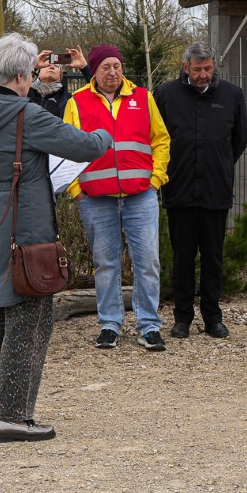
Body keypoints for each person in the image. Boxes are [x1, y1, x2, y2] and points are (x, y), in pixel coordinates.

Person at [0, 33, 114, 441]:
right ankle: (14, 417)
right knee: (30, 318)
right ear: (19, 75)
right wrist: (105, 132)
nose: (32, 79)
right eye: (30, 73)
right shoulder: (24, 115)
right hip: (25, 230)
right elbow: (83, 145)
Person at [62, 43, 172, 351]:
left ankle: (149, 325)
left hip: (141, 195)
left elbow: (161, 140)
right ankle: (109, 324)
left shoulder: (143, 98)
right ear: (94, 71)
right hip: (96, 198)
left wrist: (155, 180)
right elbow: (67, 147)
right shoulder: (78, 101)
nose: (113, 72)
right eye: (105, 67)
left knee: (148, 261)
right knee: (106, 263)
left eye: (117, 66)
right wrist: (77, 191)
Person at [154, 41, 247, 338]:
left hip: (215, 190)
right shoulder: (166, 94)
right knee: (182, 257)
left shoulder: (232, 95)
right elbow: (156, 137)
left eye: (208, 68)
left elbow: (239, 140)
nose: (204, 75)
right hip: (179, 188)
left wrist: (216, 164)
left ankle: (212, 317)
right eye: (198, 69)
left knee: (213, 257)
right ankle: (182, 317)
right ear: (186, 67)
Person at [30, 45, 85, 117]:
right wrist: (32, 65)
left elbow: (97, 91)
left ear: (60, 76)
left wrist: (84, 67)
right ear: (38, 71)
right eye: (47, 65)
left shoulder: (68, 99)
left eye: (56, 66)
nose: (52, 67)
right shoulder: (25, 93)